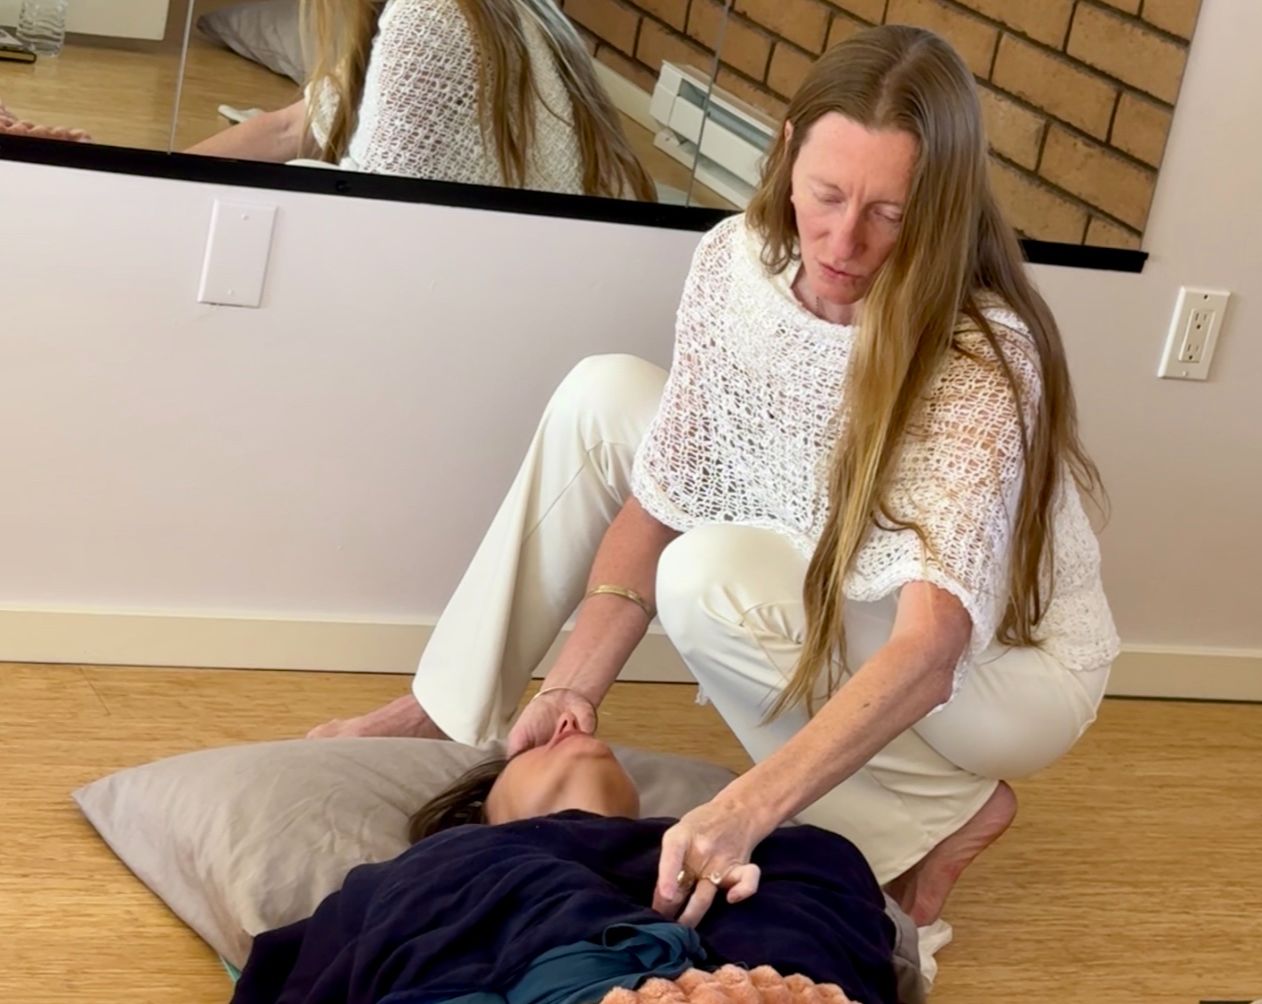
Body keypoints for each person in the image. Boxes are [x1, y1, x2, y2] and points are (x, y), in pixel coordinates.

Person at [310, 24, 1120, 929]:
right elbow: (664, 494)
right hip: (834, 557)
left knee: (705, 575)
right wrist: (571, 689)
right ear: (787, 154)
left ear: (941, 205)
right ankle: (450, 706)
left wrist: (746, 809)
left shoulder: (979, 353)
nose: (843, 239)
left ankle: (929, 821)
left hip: (1001, 674)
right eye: (826, 195)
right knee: (603, 393)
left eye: (889, 213)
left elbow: (932, 648)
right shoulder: (737, 263)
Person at [232, 716, 911, 1004]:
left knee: (810, 859)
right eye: (528, 748)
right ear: (482, 806)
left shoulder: (769, 847)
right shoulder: (443, 861)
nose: (574, 725)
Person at [3, 0, 656, 201]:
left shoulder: (427, 20)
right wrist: (124, 186)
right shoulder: (499, 11)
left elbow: (371, 229)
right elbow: (292, 126)